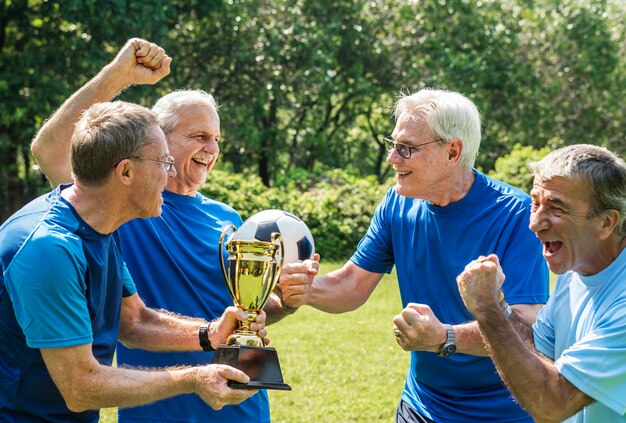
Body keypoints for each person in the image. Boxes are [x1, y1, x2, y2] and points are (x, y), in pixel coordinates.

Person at [31, 38, 306, 423]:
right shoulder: (126, 201)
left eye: (216, 138)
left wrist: (286, 301)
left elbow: (246, 315)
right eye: (199, 136)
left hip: (240, 405)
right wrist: (119, 75)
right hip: (158, 406)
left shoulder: (229, 218)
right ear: (160, 137)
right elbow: (50, 149)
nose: (212, 149)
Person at [279, 89, 550, 422]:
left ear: (452, 151)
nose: (393, 158)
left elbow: (526, 329)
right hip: (421, 406)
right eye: (392, 144)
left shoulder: (515, 213)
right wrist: (307, 289)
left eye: (406, 148)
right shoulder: (397, 203)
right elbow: (352, 283)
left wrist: (444, 337)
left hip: (503, 411)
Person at [0, 100, 265, 421]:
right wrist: (192, 378)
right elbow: (80, 387)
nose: (170, 173)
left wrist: (210, 333)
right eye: (164, 162)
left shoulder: (100, 228)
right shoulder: (49, 249)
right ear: (126, 171)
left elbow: (133, 320)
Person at [457, 144, 626, 422]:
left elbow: (553, 404)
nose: (534, 223)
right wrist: (499, 305)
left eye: (556, 208)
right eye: (536, 203)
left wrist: (488, 310)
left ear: (606, 222)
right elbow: (538, 345)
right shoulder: (575, 269)